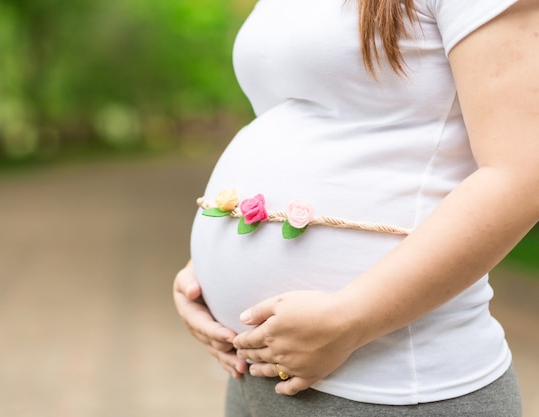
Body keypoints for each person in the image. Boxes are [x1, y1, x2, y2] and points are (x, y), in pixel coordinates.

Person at [173, 0, 538, 415]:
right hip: (254, 376)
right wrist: (206, 265)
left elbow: (522, 174)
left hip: (392, 387)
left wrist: (349, 321)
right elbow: (305, 131)